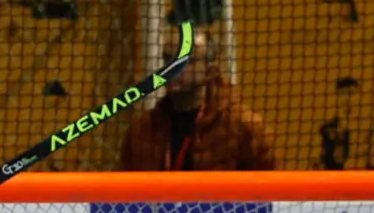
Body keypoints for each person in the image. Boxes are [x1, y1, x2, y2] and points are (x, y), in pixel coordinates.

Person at [118, 26, 277, 171]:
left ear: (210, 71)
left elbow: (266, 185)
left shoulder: (244, 128)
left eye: (185, 61)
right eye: (167, 59)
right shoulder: (143, 131)